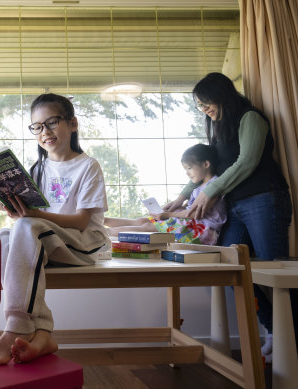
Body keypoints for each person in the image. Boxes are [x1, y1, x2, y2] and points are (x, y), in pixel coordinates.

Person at [164, 72, 296, 361]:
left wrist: (212, 193)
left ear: (221, 94)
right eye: (199, 105)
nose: (203, 109)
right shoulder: (217, 130)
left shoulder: (250, 118)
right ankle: (274, 332)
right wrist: (184, 195)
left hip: (264, 199)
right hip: (234, 206)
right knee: (231, 266)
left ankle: (291, 341)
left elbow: (247, 161)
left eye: (205, 102)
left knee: (273, 273)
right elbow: (205, 168)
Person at [0, 93, 111, 365]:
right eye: (37, 126)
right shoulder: (38, 168)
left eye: (52, 122)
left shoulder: (87, 166)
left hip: (85, 243)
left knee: (26, 225)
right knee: (2, 237)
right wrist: (13, 208)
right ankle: (43, 333)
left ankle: (15, 328)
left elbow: (81, 222)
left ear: (73, 124)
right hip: (50, 238)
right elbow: (31, 221)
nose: (45, 131)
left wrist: (32, 216)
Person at [106, 143, 227, 245]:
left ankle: (103, 233)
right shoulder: (199, 187)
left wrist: (168, 214)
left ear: (206, 164)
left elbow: (194, 213)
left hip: (201, 231)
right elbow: (191, 209)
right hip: (192, 224)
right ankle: (101, 220)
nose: (187, 173)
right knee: (143, 221)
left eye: (189, 168)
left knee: (147, 228)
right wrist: (178, 209)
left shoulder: (214, 185)